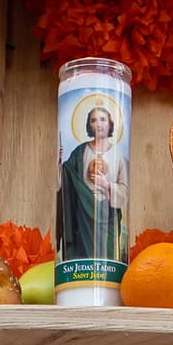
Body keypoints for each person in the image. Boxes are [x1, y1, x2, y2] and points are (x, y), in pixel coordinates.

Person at [56, 103, 128, 265]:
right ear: (89, 124)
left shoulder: (118, 156)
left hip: (107, 214)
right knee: (82, 259)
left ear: (110, 123)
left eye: (103, 120)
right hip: (81, 216)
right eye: (94, 120)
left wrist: (107, 184)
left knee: (107, 258)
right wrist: (60, 165)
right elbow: (66, 178)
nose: (99, 124)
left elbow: (124, 192)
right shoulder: (80, 152)